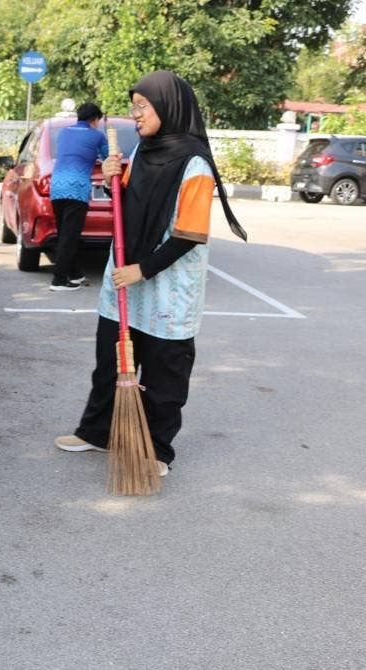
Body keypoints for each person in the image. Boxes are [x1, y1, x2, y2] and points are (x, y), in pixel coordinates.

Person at [54, 71, 246, 475]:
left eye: (143, 106)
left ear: (168, 107)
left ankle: (157, 448)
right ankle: (97, 432)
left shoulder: (195, 164)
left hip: (166, 283)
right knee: (111, 361)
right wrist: (113, 180)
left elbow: (189, 235)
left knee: (164, 372)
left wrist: (142, 270)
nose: (136, 114)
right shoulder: (143, 151)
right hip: (126, 273)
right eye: (134, 107)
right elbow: (128, 204)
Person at [48, 102, 108, 291]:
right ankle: (58, 280)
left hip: (57, 187)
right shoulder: (97, 135)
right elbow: (108, 158)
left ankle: (75, 274)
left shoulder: (64, 132)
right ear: (95, 119)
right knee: (70, 237)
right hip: (76, 189)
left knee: (64, 234)